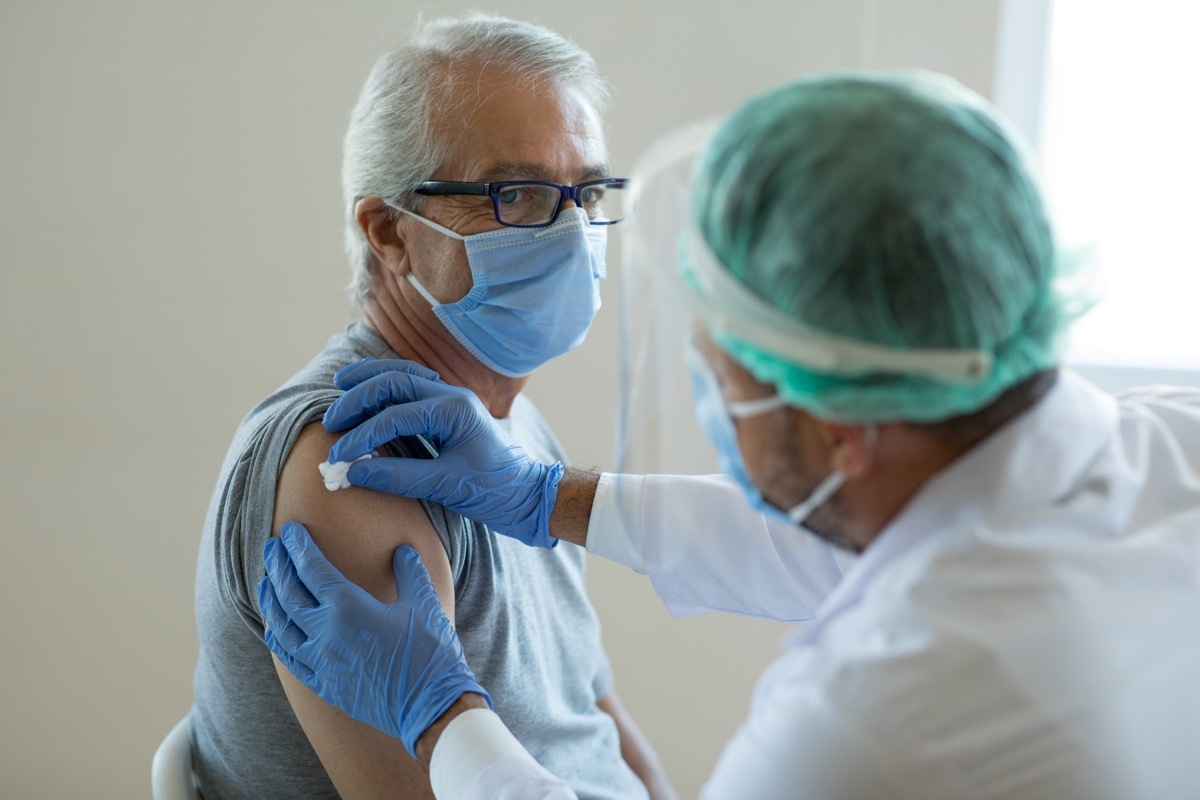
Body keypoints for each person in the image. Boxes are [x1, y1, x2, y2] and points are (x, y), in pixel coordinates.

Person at [259, 70, 1200, 799]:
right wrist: (551, 498)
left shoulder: (867, 726)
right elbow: (911, 537)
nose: (710, 393)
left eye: (723, 371)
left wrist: (444, 718)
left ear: (840, 426)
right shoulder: (1169, 448)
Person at [191, 13, 674, 800]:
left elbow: (589, 716)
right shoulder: (350, 455)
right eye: (515, 194)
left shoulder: (506, 428)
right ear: (388, 232)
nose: (571, 231)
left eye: (587, 191)